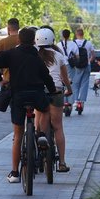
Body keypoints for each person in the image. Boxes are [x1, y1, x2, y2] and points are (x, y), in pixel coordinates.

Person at [0, 27, 58, 184]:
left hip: (18, 96)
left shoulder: (12, 54)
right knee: (46, 110)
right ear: (34, 40)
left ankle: (14, 173)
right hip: (36, 94)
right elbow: (46, 77)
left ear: (19, 40)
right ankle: (41, 135)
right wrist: (53, 90)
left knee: (18, 135)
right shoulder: (36, 56)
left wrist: (0, 80)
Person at [36, 27, 73, 172]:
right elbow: (65, 77)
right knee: (58, 127)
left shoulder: (35, 55)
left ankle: (41, 145)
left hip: (40, 92)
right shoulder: (58, 56)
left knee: (40, 121)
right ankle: (62, 163)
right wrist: (69, 90)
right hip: (56, 91)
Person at [66, 27, 94, 115]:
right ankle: (81, 103)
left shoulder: (73, 43)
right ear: (83, 34)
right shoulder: (88, 43)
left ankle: (75, 100)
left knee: (75, 84)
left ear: (76, 34)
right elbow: (93, 55)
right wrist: (88, 61)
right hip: (86, 66)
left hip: (76, 67)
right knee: (84, 84)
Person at [61, 29, 75, 109]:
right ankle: (69, 102)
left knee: (62, 83)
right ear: (69, 35)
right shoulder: (73, 44)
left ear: (62, 35)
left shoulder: (59, 44)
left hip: (61, 65)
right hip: (70, 66)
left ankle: (63, 102)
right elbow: (77, 55)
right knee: (70, 83)